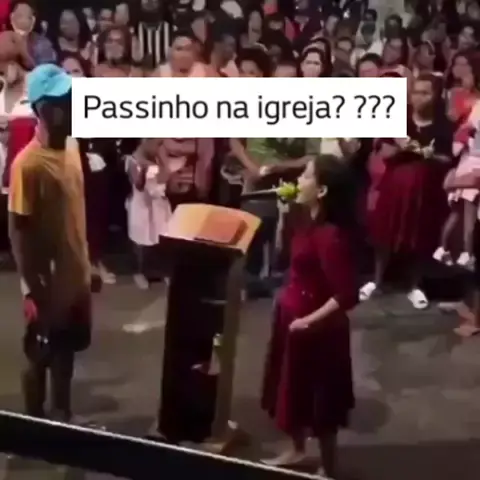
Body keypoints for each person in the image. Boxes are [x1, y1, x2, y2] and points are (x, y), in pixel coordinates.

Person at [261, 155, 357, 479]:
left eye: (306, 176)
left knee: (320, 402)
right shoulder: (303, 220)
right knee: (292, 392)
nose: (298, 180)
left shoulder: (331, 236)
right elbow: (282, 257)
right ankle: (296, 449)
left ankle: (328, 468)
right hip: (292, 318)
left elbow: (346, 295)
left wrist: (309, 321)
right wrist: (283, 216)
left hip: (318, 331)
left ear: (322, 190)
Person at [8, 63, 92, 422]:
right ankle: (33, 426)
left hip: (75, 275)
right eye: (62, 102)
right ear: (42, 108)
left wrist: (88, 265)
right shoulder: (27, 165)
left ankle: (62, 417)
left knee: (66, 352)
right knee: (40, 354)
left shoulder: (72, 146)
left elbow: (75, 213)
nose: (71, 107)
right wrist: (36, 289)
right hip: (46, 283)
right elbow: (18, 232)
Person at [361, 74, 453, 309]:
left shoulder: (443, 125)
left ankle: (415, 285)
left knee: (419, 237)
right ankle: (376, 280)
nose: (419, 97)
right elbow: (384, 151)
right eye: (415, 92)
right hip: (395, 184)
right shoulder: (399, 118)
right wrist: (404, 148)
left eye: (425, 93)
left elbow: (447, 158)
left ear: (436, 95)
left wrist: (428, 154)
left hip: (426, 190)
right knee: (384, 233)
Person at [126, 139, 172, 290]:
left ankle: (163, 271)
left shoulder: (159, 156)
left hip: (159, 203)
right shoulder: (133, 160)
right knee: (141, 242)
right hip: (142, 205)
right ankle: (139, 272)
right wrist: (144, 170)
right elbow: (138, 186)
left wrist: (164, 166)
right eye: (157, 144)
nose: (159, 147)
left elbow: (165, 177)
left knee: (162, 239)